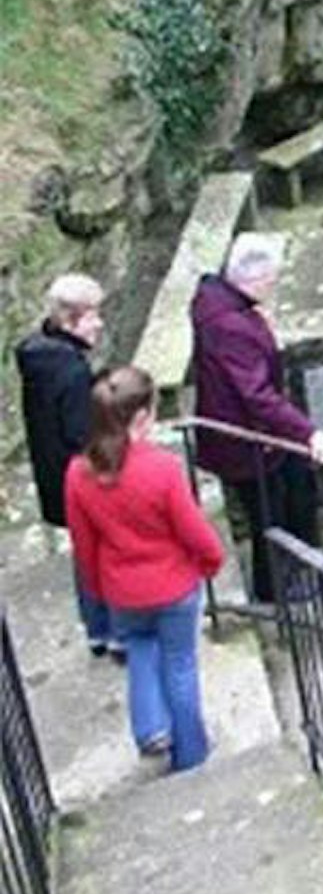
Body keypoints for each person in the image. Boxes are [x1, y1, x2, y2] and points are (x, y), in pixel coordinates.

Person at [65, 367, 224, 772]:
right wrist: (210, 562)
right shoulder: (163, 468)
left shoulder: (78, 474)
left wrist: (99, 587)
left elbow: (84, 545)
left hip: (122, 589)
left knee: (139, 650)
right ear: (141, 417)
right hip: (173, 586)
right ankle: (191, 755)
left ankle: (151, 727)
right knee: (180, 664)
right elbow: (194, 530)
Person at [189, 234, 323, 603]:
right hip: (246, 440)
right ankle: (272, 588)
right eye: (271, 281)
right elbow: (256, 395)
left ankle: (302, 561)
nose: (273, 287)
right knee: (266, 513)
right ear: (251, 281)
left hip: (258, 435)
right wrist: (310, 432)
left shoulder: (219, 300)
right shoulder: (231, 325)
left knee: (297, 482)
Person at [15, 273, 115, 655]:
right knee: (103, 553)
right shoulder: (71, 371)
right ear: (71, 320)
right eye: (92, 316)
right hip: (80, 481)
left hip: (55, 478)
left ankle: (96, 629)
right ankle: (113, 630)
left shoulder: (39, 354)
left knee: (86, 551)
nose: (100, 323)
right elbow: (80, 435)